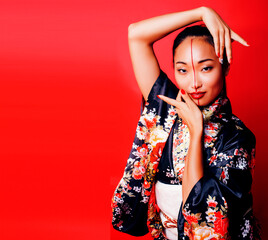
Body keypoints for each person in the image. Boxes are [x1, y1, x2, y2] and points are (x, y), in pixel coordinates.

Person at [111, 6, 261, 240]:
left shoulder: (238, 137)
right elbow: (137, 35)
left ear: (226, 67)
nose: (194, 83)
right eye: (183, 70)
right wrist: (201, 13)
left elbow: (201, 213)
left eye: (206, 68)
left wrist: (196, 130)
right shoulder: (166, 106)